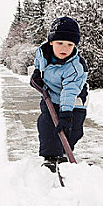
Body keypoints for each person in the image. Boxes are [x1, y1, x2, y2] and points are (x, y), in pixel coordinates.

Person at [30, 16, 89, 173]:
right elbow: (39, 64)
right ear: (51, 42)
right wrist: (37, 74)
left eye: (70, 44)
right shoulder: (42, 53)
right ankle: (51, 156)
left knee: (72, 129)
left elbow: (70, 90)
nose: (64, 48)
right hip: (51, 95)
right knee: (47, 125)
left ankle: (64, 149)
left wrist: (66, 113)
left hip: (74, 99)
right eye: (60, 43)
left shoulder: (76, 67)